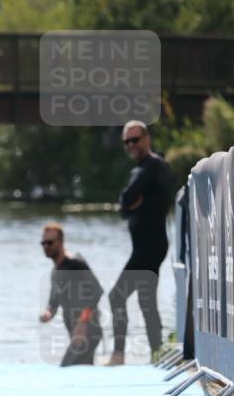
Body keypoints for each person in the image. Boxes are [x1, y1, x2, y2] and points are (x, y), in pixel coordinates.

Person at [107, 120, 173, 365]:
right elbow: (125, 207)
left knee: (116, 297)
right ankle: (157, 352)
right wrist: (130, 205)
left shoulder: (152, 167)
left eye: (135, 139)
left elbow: (125, 200)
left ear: (147, 139)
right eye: (127, 141)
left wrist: (130, 204)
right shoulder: (146, 168)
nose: (131, 145)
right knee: (147, 301)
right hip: (149, 245)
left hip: (149, 246)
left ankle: (118, 355)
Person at [39, 222, 103, 366]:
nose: (46, 247)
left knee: (66, 369)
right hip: (76, 334)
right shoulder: (55, 272)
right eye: (43, 243)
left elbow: (96, 290)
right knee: (82, 375)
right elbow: (54, 302)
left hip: (88, 331)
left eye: (49, 242)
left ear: (61, 242)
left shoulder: (75, 263)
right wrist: (48, 312)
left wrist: (82, 322)